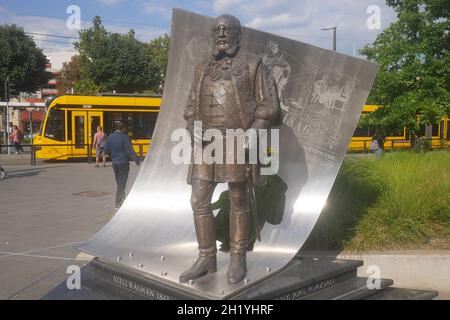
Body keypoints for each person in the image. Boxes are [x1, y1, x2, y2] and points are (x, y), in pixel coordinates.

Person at [180, 14, 281, 284]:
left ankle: (238, 255)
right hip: (205, 143)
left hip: (238, 139)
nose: (221, 33)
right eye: (217, 29)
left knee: (239, 199)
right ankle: (206, 258)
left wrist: (254, 133)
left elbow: (269, 105)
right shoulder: (201, 67)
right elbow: (190, 106)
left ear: (238, 34)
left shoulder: (252, 64)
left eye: (227, 29)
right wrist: (191, 125)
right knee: (198, 200)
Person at [104, 121, 140, 209]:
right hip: (123, 162)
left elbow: (106, 151)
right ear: (123, 129)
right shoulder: (125, 137)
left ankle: (123, 197)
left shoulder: (110, 137)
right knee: (121, 182)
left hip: (114, 163)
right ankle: (118, 202)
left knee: (119, 181)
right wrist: (137, 161)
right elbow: (130, 150)